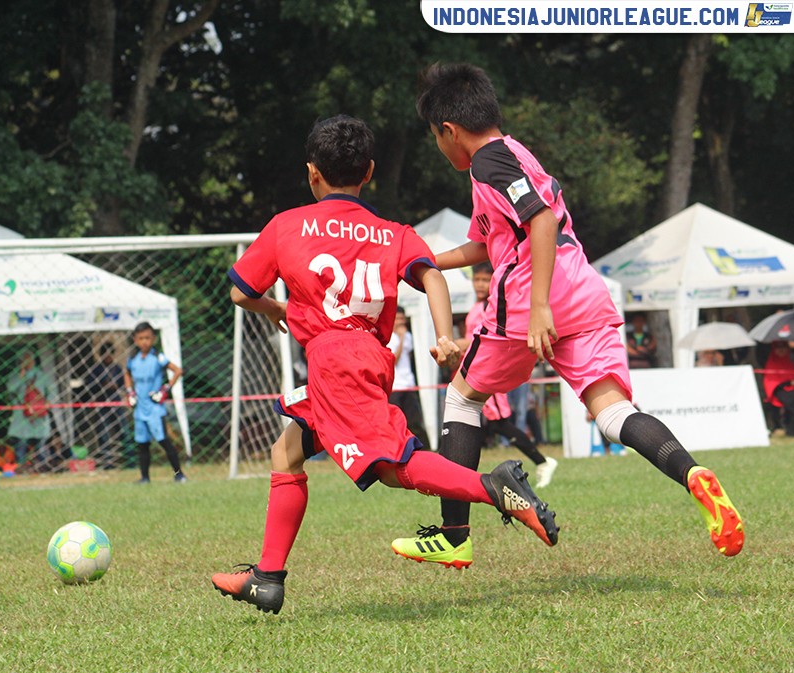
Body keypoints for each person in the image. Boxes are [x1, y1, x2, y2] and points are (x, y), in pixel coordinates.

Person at [392, 62, 744, 567]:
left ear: (449, 130)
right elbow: (489, 243)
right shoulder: (515, 153)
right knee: (613, 413)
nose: (439, 147)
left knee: (463, 400)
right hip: (583, 288)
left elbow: (538, 219)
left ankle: (453, 536)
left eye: (435, 138)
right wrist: (427, 261)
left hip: (535, 296)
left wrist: (537, 308)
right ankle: (692, 474)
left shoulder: (488, 163)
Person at [211, 115, 559, 615]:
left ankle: (494, 488)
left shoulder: (286, 226)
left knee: (396, 467)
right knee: (287, 451)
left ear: (312, 173)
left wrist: (279, 308)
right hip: (371, 357)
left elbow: (240, 292)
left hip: (333, 361)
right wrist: (443, 335)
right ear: (369, 171)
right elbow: (433, 278)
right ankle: (267, 578)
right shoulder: (392, 233)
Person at [462, 262, 558, 490]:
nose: (480, 284)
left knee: (498, 423)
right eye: (477, 280)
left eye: (485, 280)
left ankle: (542, 461)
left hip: (486, 372)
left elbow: (482, 339)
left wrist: (457, 344)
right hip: (474, 371)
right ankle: (462, 475)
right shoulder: (476, 307)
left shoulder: (492, 307)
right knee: (486, 424)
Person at [124, 322, 187, 484]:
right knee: (142, 444)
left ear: (153, 339)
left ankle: (179, 474)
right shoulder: (133, 359)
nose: (144, 341)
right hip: (139, 409)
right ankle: (145, 478)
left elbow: (178, 370)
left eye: (147, 338)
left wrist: (165, 390)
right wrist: (130, 391)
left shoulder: (158, 357)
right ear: (135, 340)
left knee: (163, 441)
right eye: (141, 338)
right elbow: (127, 374)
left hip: (154, 408)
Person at [387, 306, 431, 448]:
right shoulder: (390, 338)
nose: (400, 322)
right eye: (397, 319)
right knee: (395, 422)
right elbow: (395, 360)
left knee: (414, 420)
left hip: (409, 383)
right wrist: (400, 339)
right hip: (396, 386)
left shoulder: (409, 336)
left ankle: (424, 448)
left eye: (402, 318)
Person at [82, 343, 127, 470]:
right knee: (104, 434)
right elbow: (89, 386)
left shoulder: (117, 368)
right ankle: (107, 463)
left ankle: (129, 459)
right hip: (102, 404)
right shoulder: (96, 369)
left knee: (124, 431)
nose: (108, 357)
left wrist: (116, 387)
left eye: (110, 354)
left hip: (115, 403)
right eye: (105, 354)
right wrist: (102, 385)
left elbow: (123, 383)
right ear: (101, 355)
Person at [6, 351, 53, 472]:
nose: (27, 362)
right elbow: (10, 389)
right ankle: (21, 467)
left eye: (29, 359)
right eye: (24, 359)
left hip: (40, 414)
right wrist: (20, 376)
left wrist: (47, 403)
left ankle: (41, 467)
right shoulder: (16, 375)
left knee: (41, 444)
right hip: (22, 415)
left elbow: (51, 392)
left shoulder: (41, 375)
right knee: (21, 444)